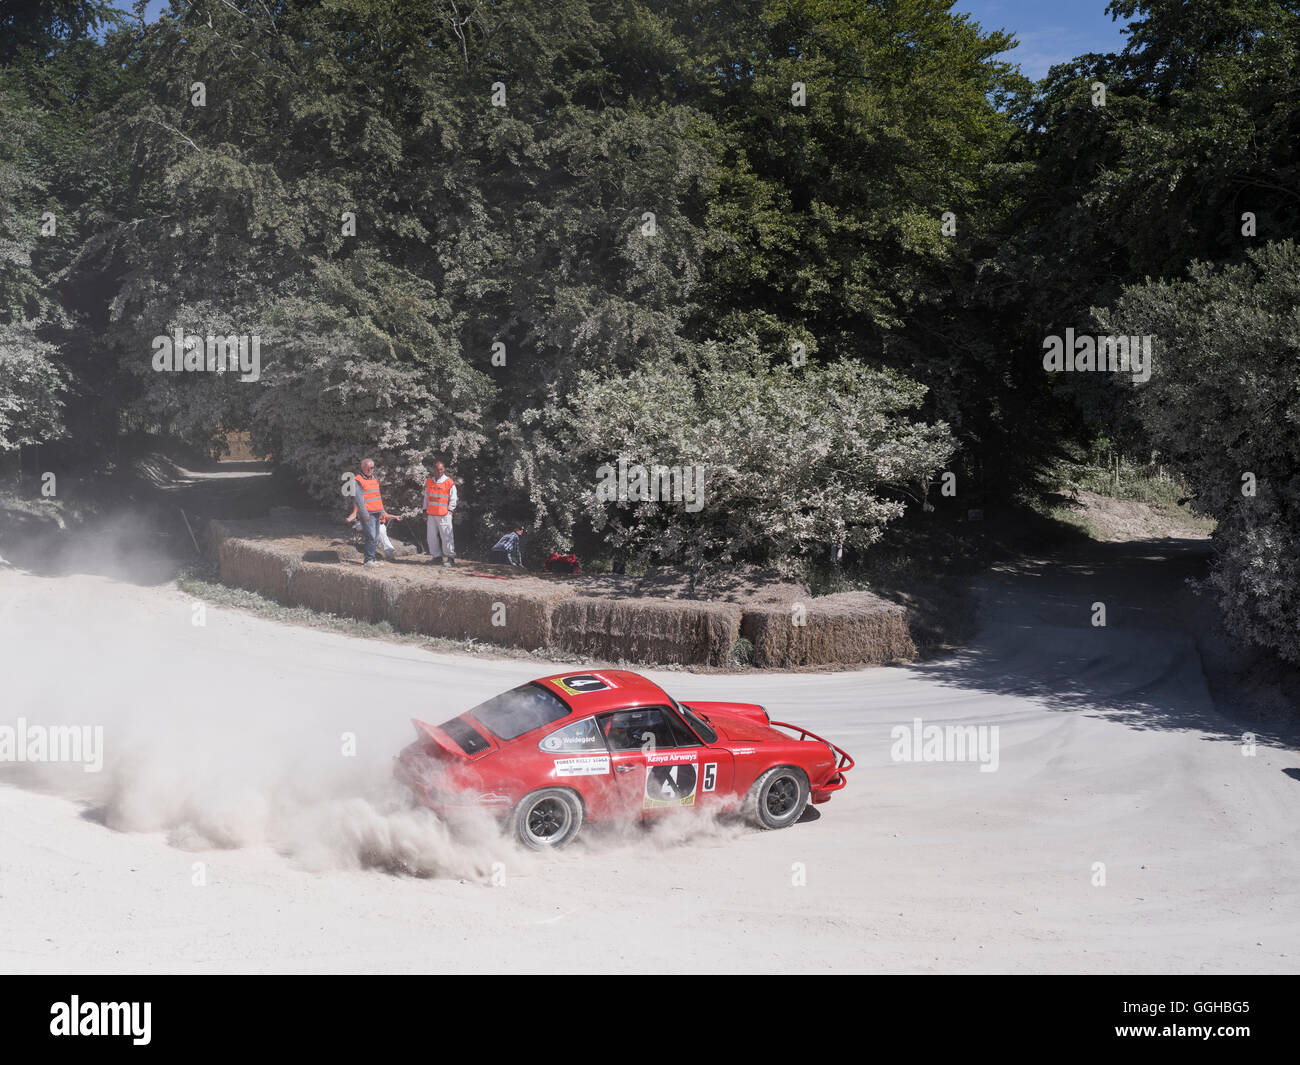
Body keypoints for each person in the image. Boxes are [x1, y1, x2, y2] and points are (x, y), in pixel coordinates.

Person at [346, 458, 390, 566]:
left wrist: (382, 512)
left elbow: (377, 497)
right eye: (367, 467)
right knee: (370, 536)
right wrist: (364, 514)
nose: (370, 470)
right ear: (363, 468)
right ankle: (368, 560)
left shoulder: (374, 479)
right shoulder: (357, 480)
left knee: (375, 536)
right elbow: (359, 499)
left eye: (372, 467)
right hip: (368, 513)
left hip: (376, 512)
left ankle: (372, 559)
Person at [424, 459, 457, 566]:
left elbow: (453, 498)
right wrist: (424, 510)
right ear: (434, 470)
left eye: (441, 469)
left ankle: (450, 558)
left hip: (444, 514)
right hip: (431, 514)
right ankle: (436, 557)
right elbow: (426, 497)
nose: (440, 471)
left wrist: (450, 510)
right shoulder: (429, 482)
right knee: (431, 537)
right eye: (437, 469)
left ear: (444, 469)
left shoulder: (449, 482)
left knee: (446, 536)